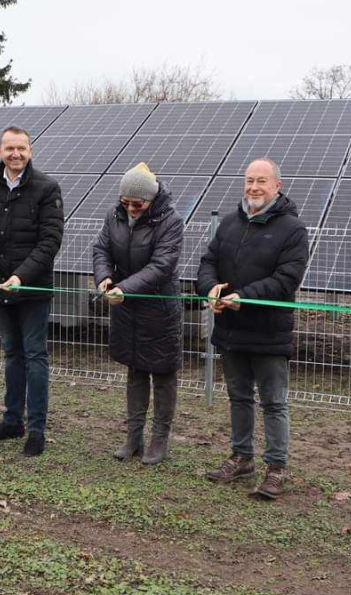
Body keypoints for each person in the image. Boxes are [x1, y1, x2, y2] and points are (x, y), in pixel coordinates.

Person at [196, 157, 309, 499]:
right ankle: (242, 457)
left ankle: (275, 467)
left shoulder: (292, 229)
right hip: (230, 329)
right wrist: (210, 288)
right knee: (239, 397)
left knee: (273, 402)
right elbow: (207, 263)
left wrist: (244, 296)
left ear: (277, 186)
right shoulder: (229, 224)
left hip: (268, 331)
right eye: (249, 180)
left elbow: (287, 279)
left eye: (262, 181)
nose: (254, 187)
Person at [0, 125, 64, 457]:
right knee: (11, 354)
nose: (15, 154)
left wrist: (21, 276)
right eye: (9, 148)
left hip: (31, 290)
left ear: (30, 151)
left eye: (21, 148)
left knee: (35, 356)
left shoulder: (47, 188)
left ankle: (36, 430)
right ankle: (12, 421)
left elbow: (50, 242)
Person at [92, 162, 184, 465]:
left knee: (163, 374)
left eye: (138, 203)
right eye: (126, 202)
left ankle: (159, 440)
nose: (131, 208)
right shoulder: (113, 215)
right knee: (135, 370)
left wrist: (124, 288)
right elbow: (101, 249)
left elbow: (162, 266)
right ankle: (134, 436)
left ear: (151, 199)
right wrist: (105, 278)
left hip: (159, 309)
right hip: (126, 308)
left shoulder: (170, 221)